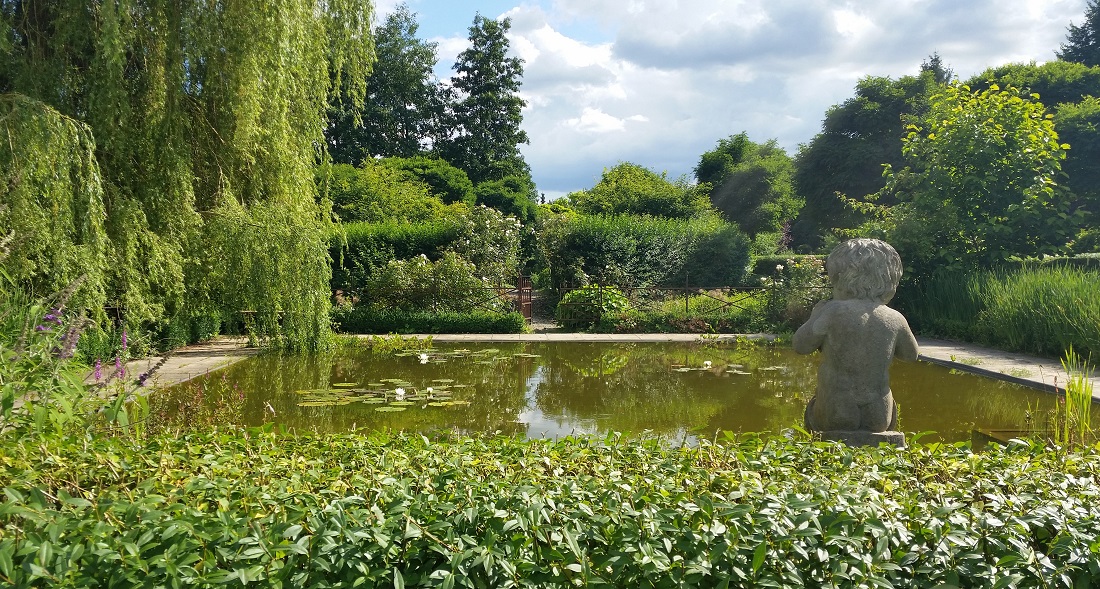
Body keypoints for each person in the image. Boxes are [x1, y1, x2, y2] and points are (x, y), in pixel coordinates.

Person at [793, 239, 919, 432]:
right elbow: (911, 356)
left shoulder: (832, 311)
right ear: (889, 279)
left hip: (836, 408)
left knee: (813, 408)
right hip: (878, 413)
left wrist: (814, 317)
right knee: (886, 409)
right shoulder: (895, 318)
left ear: (841, 278)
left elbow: (800, 346)